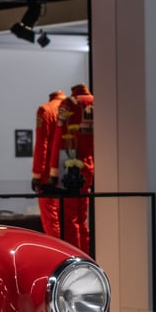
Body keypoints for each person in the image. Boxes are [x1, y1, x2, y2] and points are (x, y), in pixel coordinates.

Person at [54, 83, 96, 251]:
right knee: (82, 216)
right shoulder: (96, 102)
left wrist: (53, 171)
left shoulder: (69, 103)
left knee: (69, 217)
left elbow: (59, 137)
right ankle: (86, 253)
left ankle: (72, 255)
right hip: (90, 164)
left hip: (70, 163)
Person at [32, 89, 67, 239]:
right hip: (69, 171)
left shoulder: (45, 110)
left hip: (47, 174)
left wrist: (37, 174)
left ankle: (58, 254)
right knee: (70, 219)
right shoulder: (69, 109)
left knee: (51, 219)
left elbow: (42, 144)